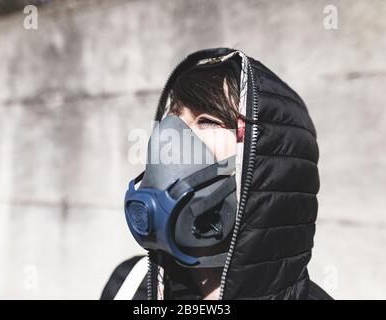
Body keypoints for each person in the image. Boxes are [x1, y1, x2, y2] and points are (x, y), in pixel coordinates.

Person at [101, 48, 332, 300]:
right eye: (172, 119)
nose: (170, 136)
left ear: (265, 159)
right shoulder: (128, 285)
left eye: (207, 121)